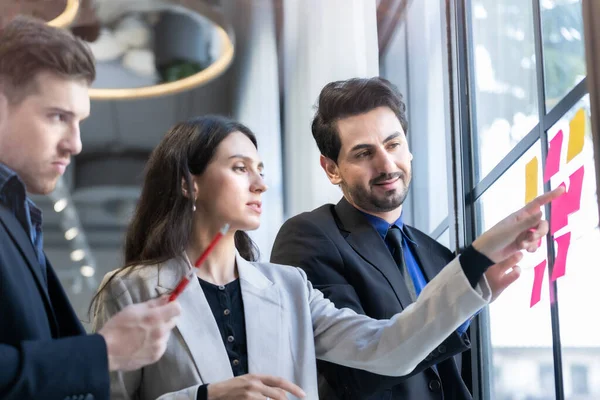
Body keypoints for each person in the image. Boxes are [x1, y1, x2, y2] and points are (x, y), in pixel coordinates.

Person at [91, 114, 561, 400]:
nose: (259, 184)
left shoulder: (288, 288)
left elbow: (388, 347)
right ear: (188, 182)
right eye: (239, 169)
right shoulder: (131, 290)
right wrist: (204, 397)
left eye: (260, 170)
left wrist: (475, 261)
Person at [270, 76, 520, 400]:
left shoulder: (439, 256)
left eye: (393, 144)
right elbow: (354, 374)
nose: (387, 165)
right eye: (363, 154)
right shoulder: (308, 237)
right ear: (332, 169)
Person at [0, 16, 181, 400]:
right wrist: (104, 352)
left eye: (78, 121)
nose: (76, 144)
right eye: (58, 117)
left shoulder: (16, 213)